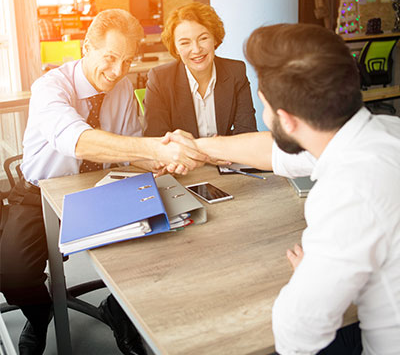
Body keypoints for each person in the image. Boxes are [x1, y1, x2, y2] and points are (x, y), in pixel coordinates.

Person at [166, 23, 400, 354]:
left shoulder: (344, 193)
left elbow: (298, 335)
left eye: (265, 106)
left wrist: (309, 276)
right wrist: (199, 146)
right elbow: (274, 151)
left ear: (287, 120)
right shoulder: (384, 131)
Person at [0, 8, 206, 355]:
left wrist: (163, 158)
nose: (117, 72)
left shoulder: (123, 88)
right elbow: (77, 139)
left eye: (127, 61)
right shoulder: (50, 86)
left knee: (158, 241)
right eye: (110, 58)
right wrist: (151, 146)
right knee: (14, 272)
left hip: (100, 187)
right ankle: (39, 317)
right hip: (40, 193)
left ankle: (119, 309)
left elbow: (129, 151)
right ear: (86, 48)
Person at [143, 2, 257, 138]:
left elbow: (247, 132)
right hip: (182, 158)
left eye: (203, 38)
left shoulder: (235, 72)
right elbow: (156, 139)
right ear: (175, 48)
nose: (196, 50)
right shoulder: (160, 79)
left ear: (215, 38)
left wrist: (224, 149)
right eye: (185, 43)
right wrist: (207, 149)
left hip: (226, 157)